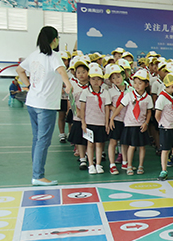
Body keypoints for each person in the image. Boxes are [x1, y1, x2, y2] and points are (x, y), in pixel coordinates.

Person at [15, 26, 73, 186]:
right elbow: (61, 71)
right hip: (45, 104)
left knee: (37, 138)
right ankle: (38, 175)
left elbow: (19, 70)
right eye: (58, 38)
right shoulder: (54, 56)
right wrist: (68, 84)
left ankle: (37, 172)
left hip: (32, 102)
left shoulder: (34, 55)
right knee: (43, 140)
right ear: (54, 40)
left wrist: (28, 85)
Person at [111, 69, 153, 175]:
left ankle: (140, 166)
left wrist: (146, 123)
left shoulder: (148, 98)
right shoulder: (129, 95)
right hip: (130, 125)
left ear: (146, 84)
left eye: (140, 83)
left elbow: (149, 112)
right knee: (131, 146)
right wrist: (112, 118)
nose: (137, 85)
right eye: (135, 83)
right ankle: (129, 165)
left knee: (142, 147)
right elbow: (120, 107)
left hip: (141, 125)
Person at [79, 64, 111, 174]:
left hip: (101, 123)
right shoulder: (85, 92)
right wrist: (83, 122)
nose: (96, 82)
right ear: (89, 79)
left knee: (99, 144)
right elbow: (82, 109)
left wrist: (106, 123)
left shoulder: (105, 92)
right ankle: (90, 165)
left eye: (98, 79)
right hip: (89, 123)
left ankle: (98, 164)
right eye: (93, 79)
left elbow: (107, 109)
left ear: (102, 80)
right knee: (90, 144)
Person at [155, 73, 173, 180]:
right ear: (172, 86)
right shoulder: (162, 98)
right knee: (165, 150)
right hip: (166, 128)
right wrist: (163, 124)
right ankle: (164, 170)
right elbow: (157, 114)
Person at [106, 65, 128, 175]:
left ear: (123, 76)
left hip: (127, 120)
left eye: (118, 76)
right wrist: (112, 111)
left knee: (124, 142)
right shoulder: (110, 91)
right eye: (113, 78)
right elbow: (107, 105)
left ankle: (125, 161)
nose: (116, 80)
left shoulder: (131, 90)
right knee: (113, 141)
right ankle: (112, 165)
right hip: (115, 119)